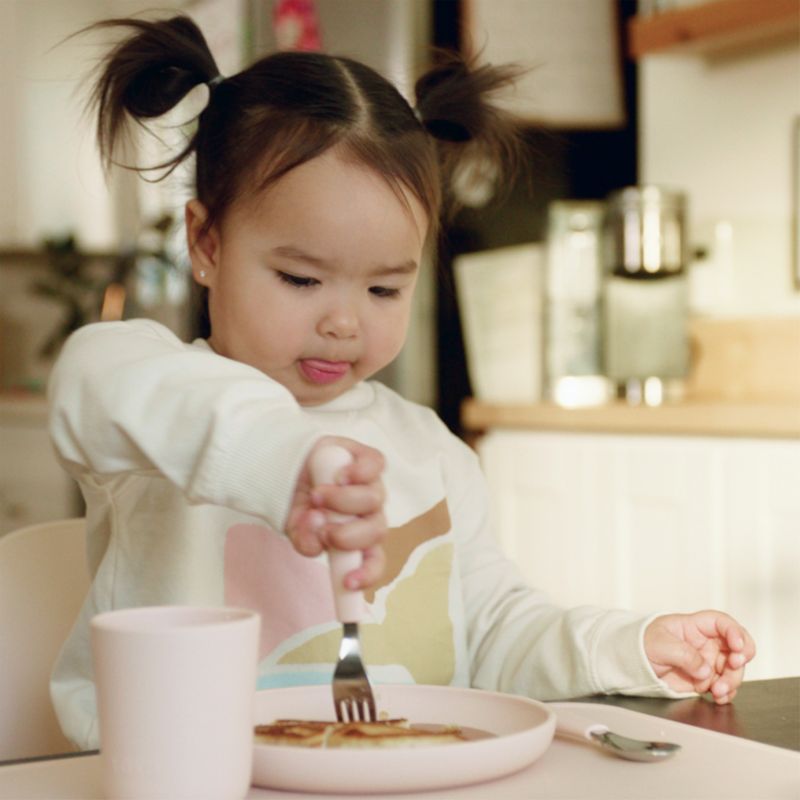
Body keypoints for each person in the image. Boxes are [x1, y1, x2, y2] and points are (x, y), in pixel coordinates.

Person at [48, 15, 755, 751]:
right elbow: (90, 377)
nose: (344, 323)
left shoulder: (429, 450)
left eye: (385, 290)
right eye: (300, 278)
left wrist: (627, 646)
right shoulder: (158, 413)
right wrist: (282, 460)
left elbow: (493, 635)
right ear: (206, 243)